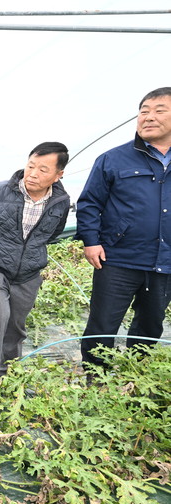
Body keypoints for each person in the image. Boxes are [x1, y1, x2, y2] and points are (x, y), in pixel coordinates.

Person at [77, 86, 171, 369]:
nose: (148, 117)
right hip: (118, 258)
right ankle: (96, 376)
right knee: (103, 323)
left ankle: (135, 374)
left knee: (151, 323)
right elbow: (89, 203)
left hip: (165, 261)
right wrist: (91, 241)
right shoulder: (113, 159)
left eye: (159, 111)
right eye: (144, 111)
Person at [0, 142, 70, 382]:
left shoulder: (60, 201)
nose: (33, 174)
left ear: (58, 175)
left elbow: (53, 233)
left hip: (28, 273)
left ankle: (8, 375)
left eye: (43, 170)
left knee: (16, 326)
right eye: (31, 166)